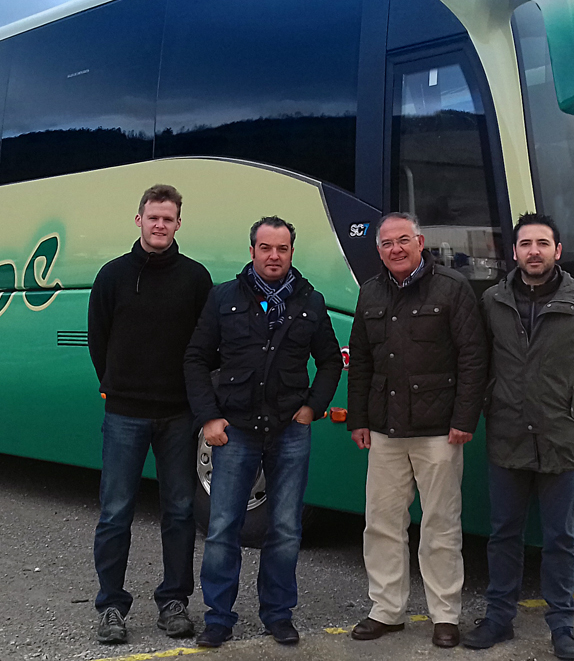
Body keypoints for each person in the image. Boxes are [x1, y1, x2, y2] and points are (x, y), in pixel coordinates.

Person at [183, 216, 344, 648]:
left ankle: (277, 614)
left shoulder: (310, 301)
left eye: (283, 249)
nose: (274, 256)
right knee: (222, 530)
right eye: (266, 248)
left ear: (292, 252)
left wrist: (313, 407)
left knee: (287, 529)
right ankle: (218, 618)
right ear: (252, 250)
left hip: (290, 431)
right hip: (234, 431)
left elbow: (330, 360)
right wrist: (208, 418)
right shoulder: (223, 298)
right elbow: (196, 359)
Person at [462, 212, 574, 659]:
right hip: (507, 435)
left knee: (560, 538)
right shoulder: (492, 301)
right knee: (503, 534)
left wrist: (566, 397)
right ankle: (498, 618)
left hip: (561, 438)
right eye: (526, 244)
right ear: (514, 252)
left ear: (557, 251)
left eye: (542, 243)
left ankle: (562, 627)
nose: (534, 251)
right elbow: (481, 362)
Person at [345, 212, 488, 649]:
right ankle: (386, 611)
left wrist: (464, 419)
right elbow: (362, 363)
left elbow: (473, 357)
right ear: (379, 250)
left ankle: (445, 615)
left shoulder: (452, 288)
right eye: (387, 243)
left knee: (440, 525)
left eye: (403, 240)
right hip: (385, 431)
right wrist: (358, 419)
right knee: (382, 524)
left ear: (420, 242)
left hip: (438, 432)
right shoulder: (369, 292)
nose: (395, 249)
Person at [87, 184, 214, 645]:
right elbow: (98, 341)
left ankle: (174, 602)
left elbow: (205, 347)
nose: (160, 225)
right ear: (137, 220)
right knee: (116, 512)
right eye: (153, 217)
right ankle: (111, 607)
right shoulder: (112, 276)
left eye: (169, 218)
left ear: (179, 224)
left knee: (180, 511)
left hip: (179, 416)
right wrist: (117, 385)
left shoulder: (196, 278)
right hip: (125, 413)